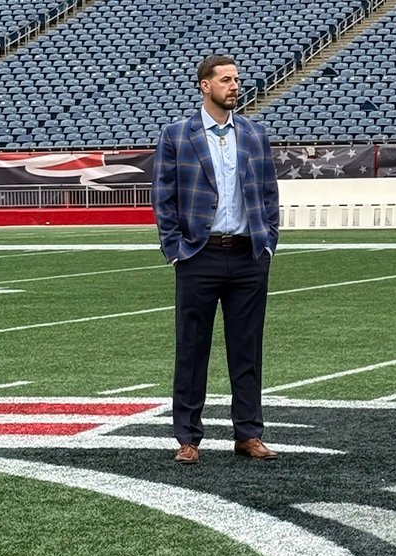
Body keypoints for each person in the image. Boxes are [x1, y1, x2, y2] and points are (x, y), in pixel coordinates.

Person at [152, 55, 280, 465]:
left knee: (248, 350)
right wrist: (175, 249)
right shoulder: (177, 135)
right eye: (226, 80)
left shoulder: (254, 134)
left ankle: (248, 433)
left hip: (247, 255)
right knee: (191, 350)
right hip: (198, 256)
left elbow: (268, 193)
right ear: (205, 86)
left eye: (237, 79)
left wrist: (268, 241)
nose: (234, 86)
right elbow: (163, 197)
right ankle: (188, 437)